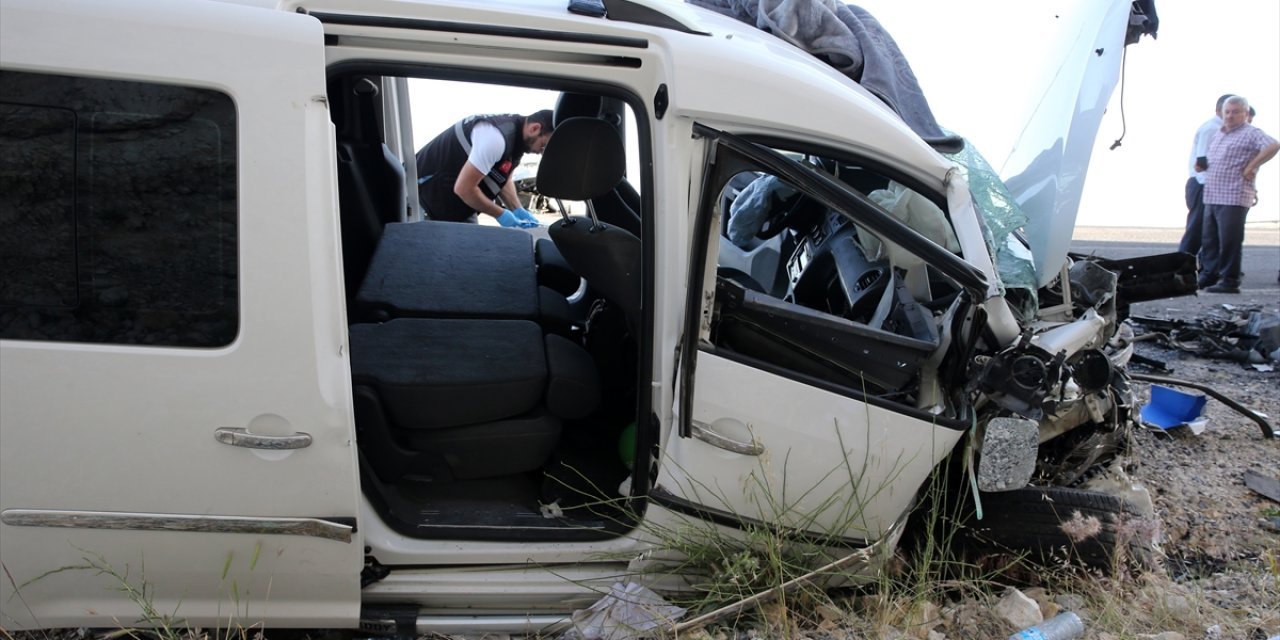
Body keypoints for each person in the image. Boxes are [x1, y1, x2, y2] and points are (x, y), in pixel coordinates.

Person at [415, 110, 555, 228]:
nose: (542, 153)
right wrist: (500, 214)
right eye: (544, 145)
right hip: (425, 200)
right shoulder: (495, 138)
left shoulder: (517, 142)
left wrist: (517, 209)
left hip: (457, 207)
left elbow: (504, 180)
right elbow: (464, 188)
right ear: (534, 128)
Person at [1199, 95, 1280, 293]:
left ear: (1245, 114)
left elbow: (1273, 145)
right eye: (1227, 112)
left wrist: (1252, 166)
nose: (1230, 116)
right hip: (1212, 194)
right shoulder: (1221, 132)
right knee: (1210, 239)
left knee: (1229, 240)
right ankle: (1210, 276)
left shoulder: (1250, 133)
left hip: (1233, 195)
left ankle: (1230, 279)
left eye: (1236, 112)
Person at [1178, 94, 1232, 259]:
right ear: (1219, 110)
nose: (1233, 115)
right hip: (1203, 185)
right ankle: (1180, 267)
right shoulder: (1212, 128)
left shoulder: (1225, 129)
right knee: (1196, 231)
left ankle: (1206, 266)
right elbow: (1202, 162)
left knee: (1212, 231)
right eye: (1229, 111)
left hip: (1211, 185)